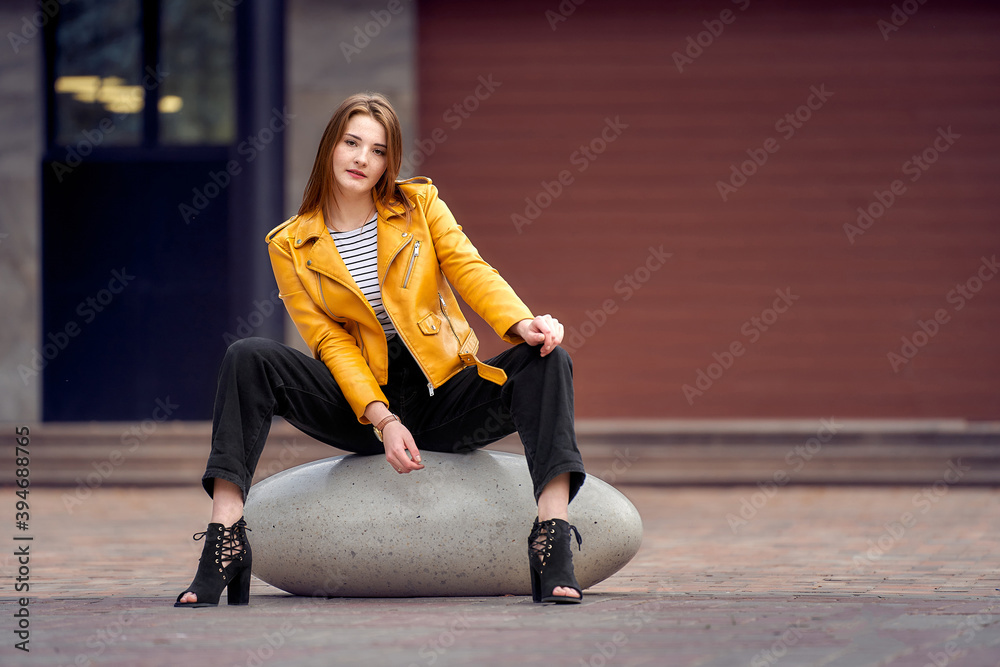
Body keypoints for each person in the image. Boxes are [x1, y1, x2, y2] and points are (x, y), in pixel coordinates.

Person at [175, 92, 587, 608]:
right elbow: (328, 341)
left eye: (377, 149)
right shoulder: (291, 244)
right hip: (360, 404)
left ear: (389, 161)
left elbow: (469, 268)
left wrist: (522, 322)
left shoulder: (419, 205)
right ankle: (226, 537)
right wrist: (382, 419)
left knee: (547, 362)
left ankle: (551, 536)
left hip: (441, 394)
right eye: (351, 142)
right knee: (248, 355)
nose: (361, 159)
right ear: (330, 146)